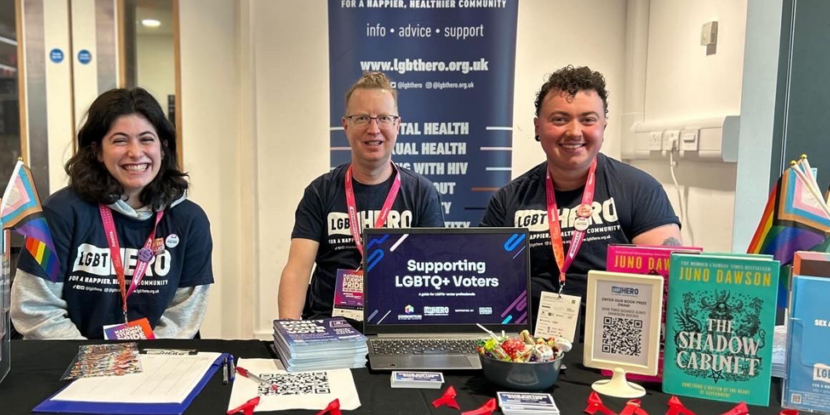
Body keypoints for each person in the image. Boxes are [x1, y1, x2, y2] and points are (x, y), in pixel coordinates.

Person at [11, 88, 213, 339]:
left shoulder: (190, 220)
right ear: (97, 151)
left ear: (163, 147)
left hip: (160, 364)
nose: (135, 152)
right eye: (120, 140)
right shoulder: (57, 213)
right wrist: (98, 365)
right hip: (73, 364)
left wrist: (140, 365)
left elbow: (182, 316)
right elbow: (35, 309)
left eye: (146, 139)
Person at [480, 65, 681, 310]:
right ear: (537, 127)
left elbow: (665, 287)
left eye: (588, 120)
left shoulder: (640, 190)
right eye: (559, 119)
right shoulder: (508, 199)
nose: (574, 132)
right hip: (530, 340)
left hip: (612, 338)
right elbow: (486, 283)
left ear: (603, 126)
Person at [278, 72, 445, 320]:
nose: (373, 128)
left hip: (399, 326)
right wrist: (289, 334)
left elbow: (435, 274)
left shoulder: (422, 193)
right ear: (346, 125)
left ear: (398, 126)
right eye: (362, 118)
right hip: (328, 329)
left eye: (384, 118)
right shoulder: (320, 192)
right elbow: (298, 270)